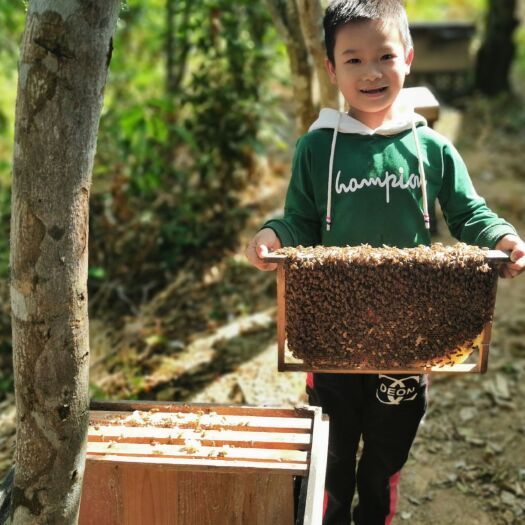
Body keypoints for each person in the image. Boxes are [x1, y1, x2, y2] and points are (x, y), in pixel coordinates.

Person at [246, 0, 525, 523]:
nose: (371, 72)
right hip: (330, 336)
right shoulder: (317, 147)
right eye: (353, 60)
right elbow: (300, 222)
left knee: (386, 453)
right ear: (331, 68)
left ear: (409, 59)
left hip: (408, 337)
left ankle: (375, 514)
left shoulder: (432, 148)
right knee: (330, 452)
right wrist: (271, 234)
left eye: (385, 56)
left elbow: (469, 213)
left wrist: (503, 239)